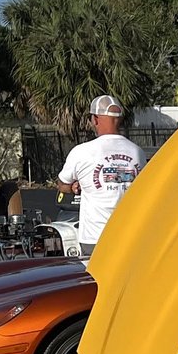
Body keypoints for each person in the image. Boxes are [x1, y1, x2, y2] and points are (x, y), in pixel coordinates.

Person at [56, 96, 145, 255]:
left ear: (95, 119)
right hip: (131, 236)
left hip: (95, 237)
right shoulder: (137, 152)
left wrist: (76, 187)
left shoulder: (82, 152)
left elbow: (63, 185)